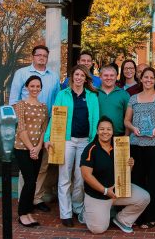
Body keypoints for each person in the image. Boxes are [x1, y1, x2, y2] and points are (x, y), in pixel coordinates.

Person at [44, 65, 100, 227]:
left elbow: (95, 120)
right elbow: (54, 118)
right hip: (66, 141)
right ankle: (65, 212)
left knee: (81, 178)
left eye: (82, 75)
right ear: (71, 77)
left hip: (85, 142)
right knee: (64, 178)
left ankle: (77, 208)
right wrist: (48, 137)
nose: (79, 78)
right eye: (76, 74)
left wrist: (94, 142)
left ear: (86, 78)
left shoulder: (92, 96)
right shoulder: (63, 94)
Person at [10, 45, 59, 213]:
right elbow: (13, 101)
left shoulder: (53, 77)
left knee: (42, 166)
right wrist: (20, 126)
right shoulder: (21, 74)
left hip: (46, 126)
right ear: (33, 56)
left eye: (44, 55)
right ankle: (24, 200)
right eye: (38, 55)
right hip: (26, 128)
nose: (41, 57)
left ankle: (37, 198)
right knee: (27, 170)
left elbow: (56, 102)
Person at [80, 116, 150, 234]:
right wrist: (105, 191)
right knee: (98, 229)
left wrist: (130, 165)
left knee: (144, 197)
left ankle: (122, 220)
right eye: (102, 129)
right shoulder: (91, 149)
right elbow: (86, 176)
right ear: (97, 131)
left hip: (118, 192)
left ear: (112, 131)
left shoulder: (119, 146)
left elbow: (124, 173)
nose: (105, 132)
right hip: (99, 195)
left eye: (108, 129)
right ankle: (86, 211)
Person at [124, 67, 155, 228]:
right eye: (146, 77)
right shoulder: (133, 98)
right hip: (136, 144)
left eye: (152, 77)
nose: (149, 80)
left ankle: (153, 215)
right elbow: (126, 121)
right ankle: (138, 215)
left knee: (154, 180)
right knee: (137, 180)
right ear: (141, 79)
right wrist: (133, 128)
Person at [13, 76, 49, 227]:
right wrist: (31, 148)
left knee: (33, 181)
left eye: (38, 86)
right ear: (27, 87)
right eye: (32, 86)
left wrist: (39, 147)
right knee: (28, 181)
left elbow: (43, 130)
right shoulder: (20, 105)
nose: (35, 89)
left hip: (37, 149)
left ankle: (28, 212)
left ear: (41, 88)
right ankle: (22, 214)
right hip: (22, 148)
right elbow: (21, 128)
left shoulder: (43, 106)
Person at [98, 65, 130, 136]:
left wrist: (126, 136)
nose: (109, 78)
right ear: (100, 77)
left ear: (116, 77)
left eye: (112, 75)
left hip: (118, 136)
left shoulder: (124, 94)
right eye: (105, 75)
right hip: (98, 135)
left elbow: (128, 117)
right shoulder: (94, 93)